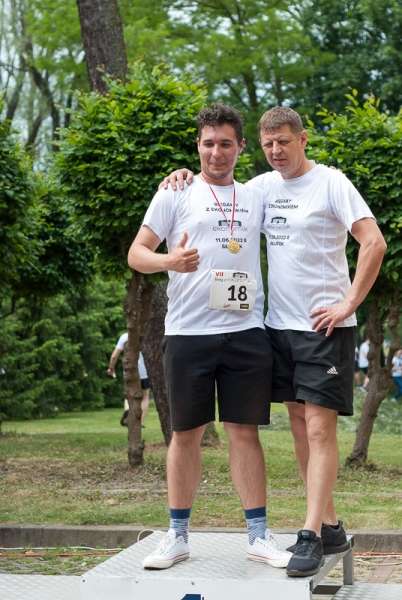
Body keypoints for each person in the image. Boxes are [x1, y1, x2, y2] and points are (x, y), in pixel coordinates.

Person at [161, 106, 386, 577]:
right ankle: (330, 526)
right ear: (258, 148)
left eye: (284, 141)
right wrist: (182, 175)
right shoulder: (261, 189)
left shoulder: (332, 183)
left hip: (324, 327)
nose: (277, 151)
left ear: (303, 140)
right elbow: (218, 188)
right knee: (301, 428)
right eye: (268, 144)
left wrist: (348, 303)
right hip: (277, 327)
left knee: (320, 430)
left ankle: (309, 534)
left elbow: (374, 243)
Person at [128, 104, 291, 571]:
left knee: (244, 432)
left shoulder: (257, 194)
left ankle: (258, 536)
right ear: (197, 146)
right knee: (185, 434)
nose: (216, 153)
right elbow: (137, 253)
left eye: (225, 144)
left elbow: (298, 184)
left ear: (241, 147)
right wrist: (169, 262)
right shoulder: (175, 192)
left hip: (245, 332)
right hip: (189, 333)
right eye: (207, 144)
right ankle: (177, 536)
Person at [107, 332, 150, 426]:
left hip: (129, 371)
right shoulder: (146, 337)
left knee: (129, 395)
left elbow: (114, 356)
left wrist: (111, 368)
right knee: (145, 396)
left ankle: (127, 410)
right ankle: (140, 422)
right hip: (144, 372)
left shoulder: (125, 337)